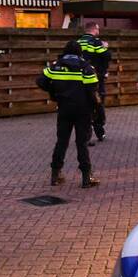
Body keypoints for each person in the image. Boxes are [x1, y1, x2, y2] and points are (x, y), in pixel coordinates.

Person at [37, 40, 100, 188]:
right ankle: (86, 177)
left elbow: (40, 81)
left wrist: (54, 92)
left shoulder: (56, 66)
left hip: (64, 108)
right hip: (82, 110)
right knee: (81, 143)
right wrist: (96, 108)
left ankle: (55, 175)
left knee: (62, 141)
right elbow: (93, 88)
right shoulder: (85, 67)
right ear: (79, 52)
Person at [78, 22, 111, 144]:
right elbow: (106, 56)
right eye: (98, 29)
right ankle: (99, 130)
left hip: (81, 79)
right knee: (98, 103)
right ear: (95, 29)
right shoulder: (96, 42)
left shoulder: (78, 42)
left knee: (85, 105)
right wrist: (105, 47)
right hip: (95, 78)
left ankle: (87, 134)